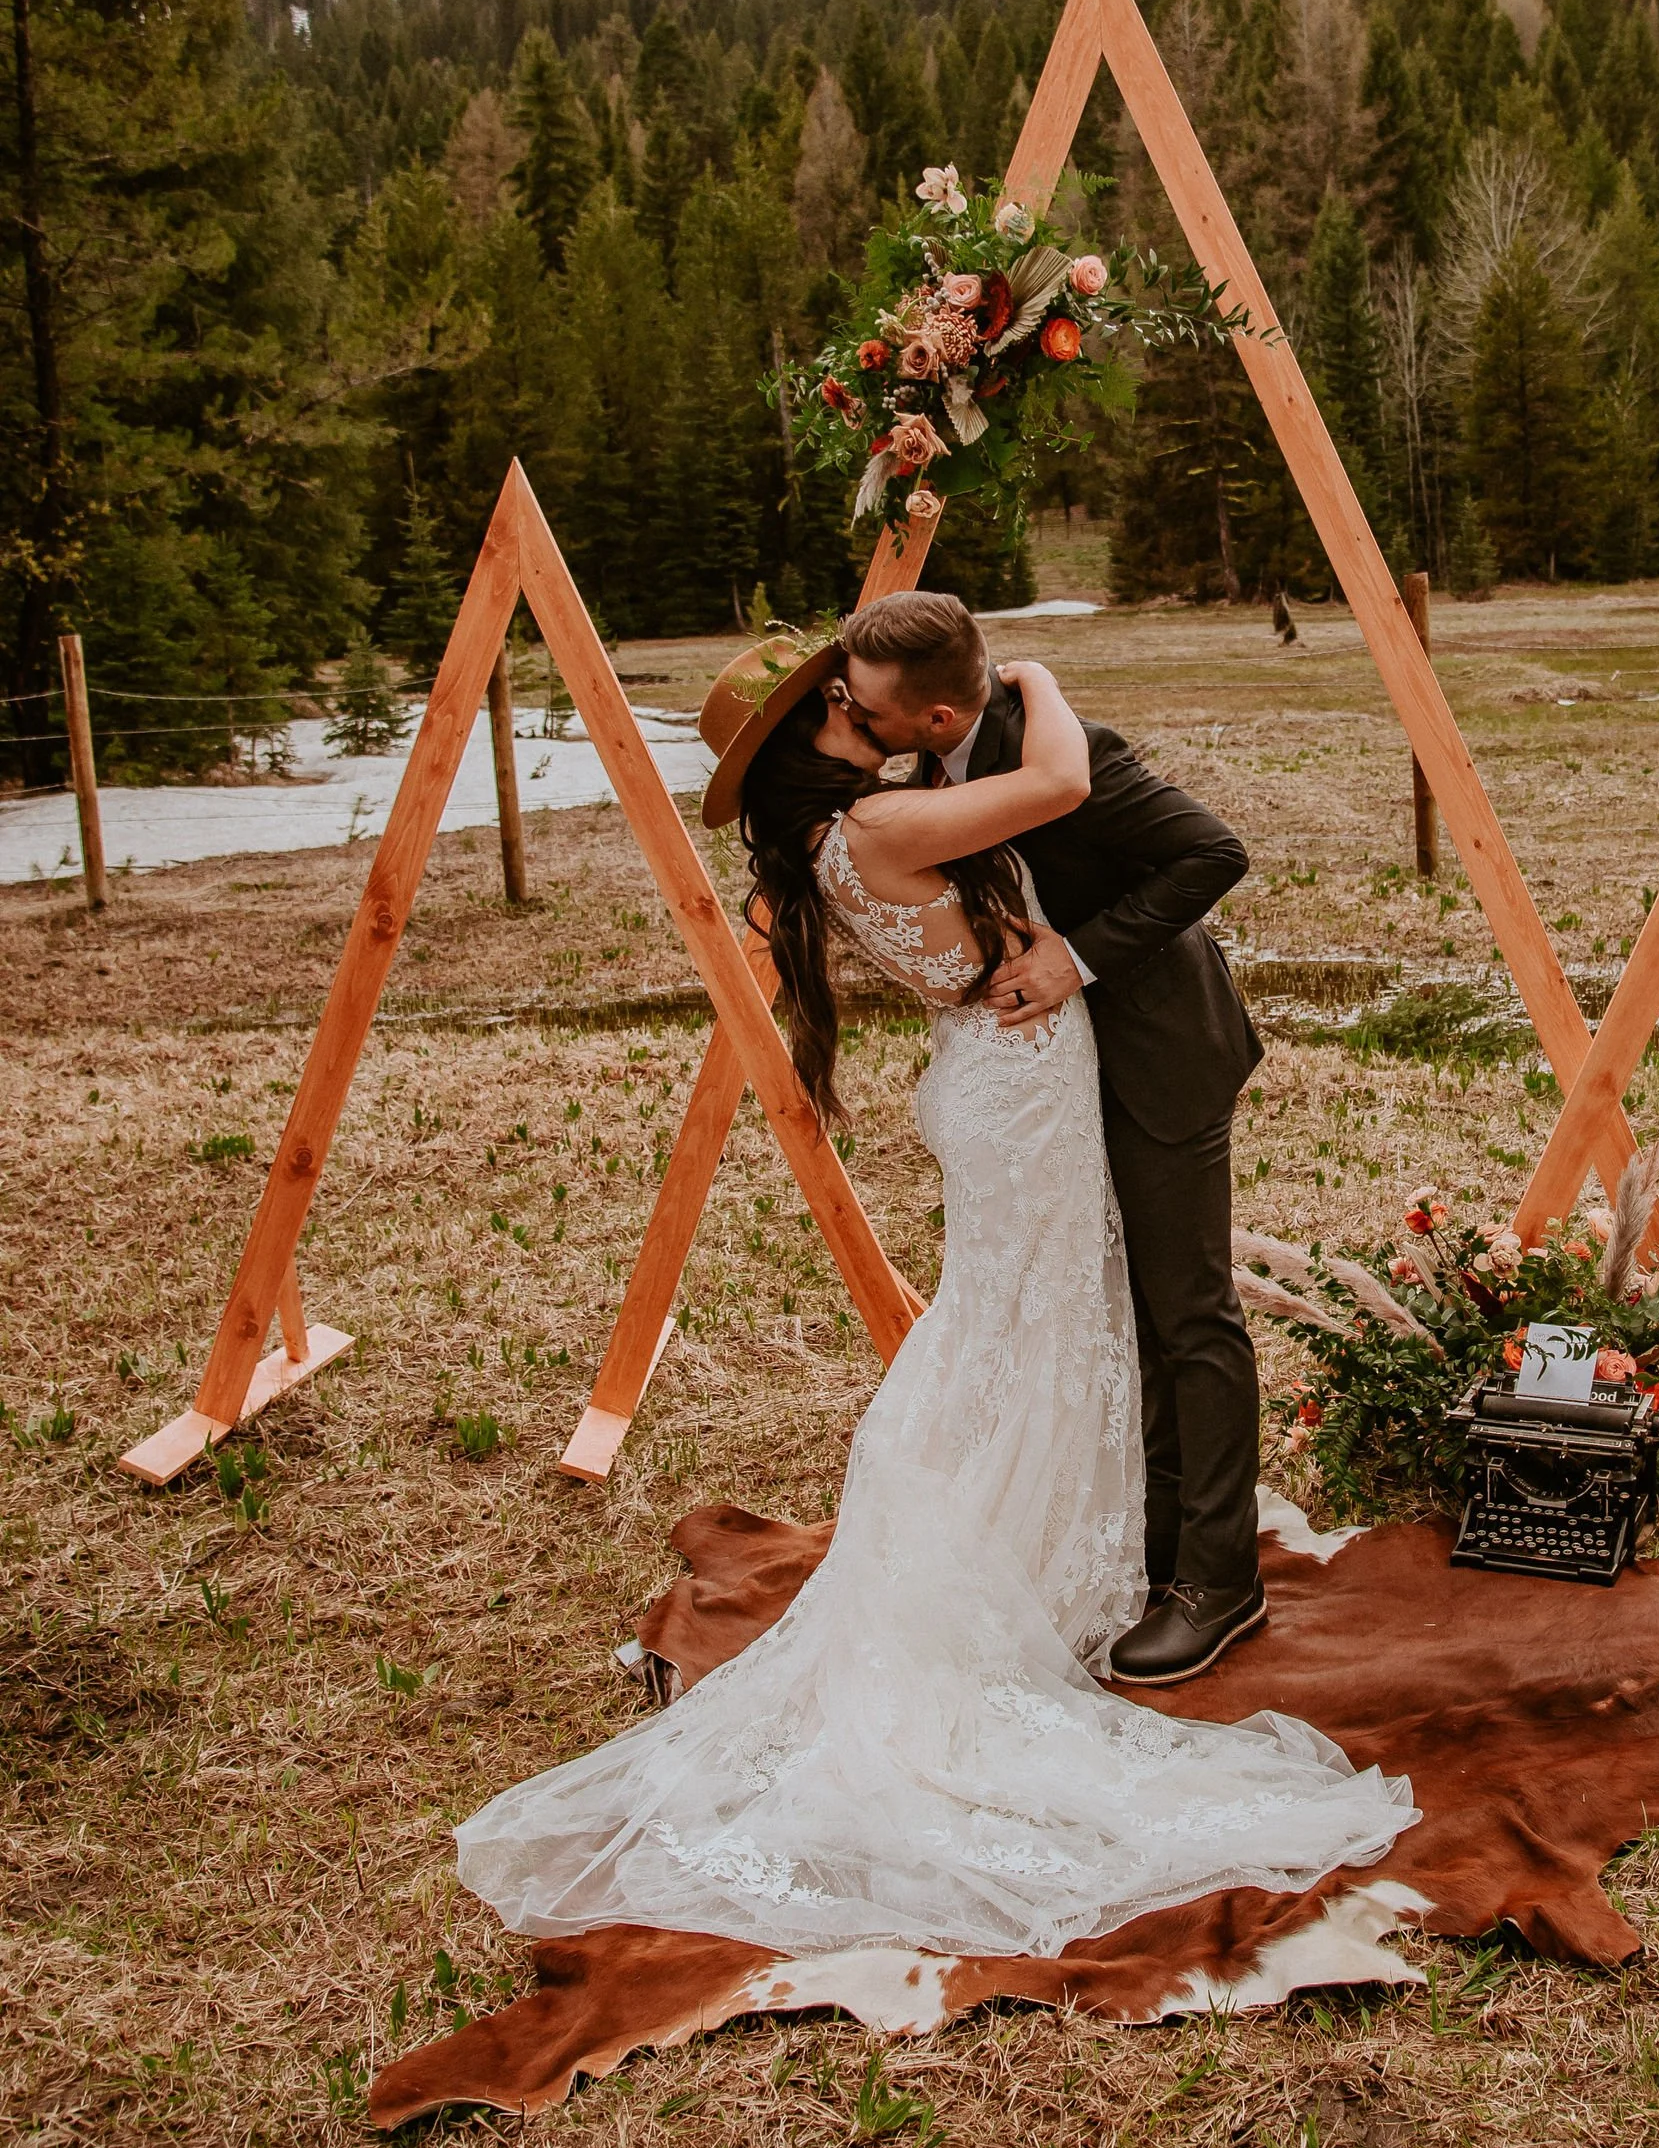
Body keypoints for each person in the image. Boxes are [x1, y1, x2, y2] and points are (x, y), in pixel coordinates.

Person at [451, 631, 1409, 1969]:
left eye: (850, 690)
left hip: (1123, 1053)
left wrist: (1076, 947)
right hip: (1025, 1088)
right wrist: (1048, 685)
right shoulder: (897, 813)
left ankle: (1194, 1571)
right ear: (821, 739)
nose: (847, 704)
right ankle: (1095, 1556)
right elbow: (1052, 791)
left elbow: (1203, 854)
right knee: (1046, 1330)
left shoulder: (870, 819)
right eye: (828, 703)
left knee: (1137, 1318)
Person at [835, 590, 1271, 1685]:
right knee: (1120, 1306)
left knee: (1188, 1309)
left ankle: (1221, 1582)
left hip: (1157, 1049)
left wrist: (1075, 956)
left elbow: (1212, 853)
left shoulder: (1061, 751)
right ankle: (1149, 1539)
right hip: (1060, 1081)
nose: (863, 727)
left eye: (875, 713)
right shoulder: (931, 773)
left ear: (938, 719)